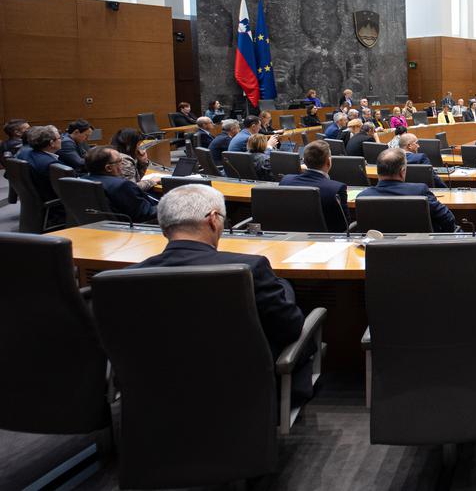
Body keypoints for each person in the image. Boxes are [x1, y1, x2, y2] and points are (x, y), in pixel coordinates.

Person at [127, 184, 307, 369]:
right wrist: (285, 287)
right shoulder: (250, 269)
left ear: (163, 227)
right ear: (213, 219)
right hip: (241, 386)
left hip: (151, 389)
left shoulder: (123, 280)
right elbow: (289, 328)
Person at [357, 149, 458, 233]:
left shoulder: (363, 196)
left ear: (378, 170)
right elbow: (448, 219)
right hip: (420, 249)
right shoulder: (419, 191)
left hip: (379, 251)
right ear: (402, 172)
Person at [279, 141, 349, 232]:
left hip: (291, 238)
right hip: (326, 241)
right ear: (328, 161)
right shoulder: (336, 189)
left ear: (304, 161)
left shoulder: (286, 181)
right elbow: (344, 225)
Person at [82, 146, 158, 223]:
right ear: (108, 168)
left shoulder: (82, 180)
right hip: (135, 228)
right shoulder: (122, 185)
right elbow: (145, 214)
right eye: (120, 161)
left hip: (99, 226)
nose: (123, 164)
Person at [16, 125, 62, 202]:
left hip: (34, 201)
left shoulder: (23, 153)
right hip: (55, 205)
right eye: (60, 138)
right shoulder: (51, 164)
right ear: (52, 143)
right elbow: (66, 189)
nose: (61, 140)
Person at [111, 128, 159, 192]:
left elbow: (138, 179)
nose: (141, 148)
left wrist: (142, 162)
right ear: (130, 145)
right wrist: (152, 181)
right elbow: (132, 188)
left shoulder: (114, 154)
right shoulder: (124, 160)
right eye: (139, 144)